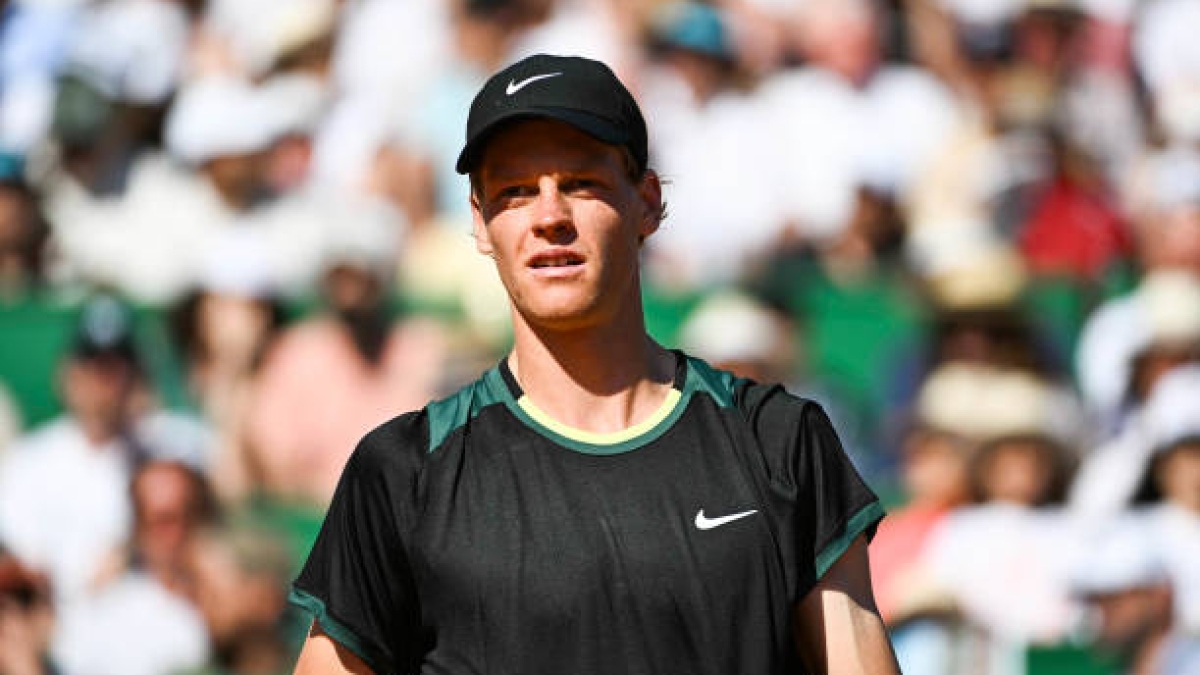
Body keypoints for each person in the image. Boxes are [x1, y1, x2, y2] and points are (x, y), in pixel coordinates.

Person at [289, 53, 899, 675]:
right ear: (480, 222)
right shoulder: (405, 475)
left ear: (648, 202)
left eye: (581, 183)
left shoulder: (778, 443)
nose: (550, 217)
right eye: (515, 192)